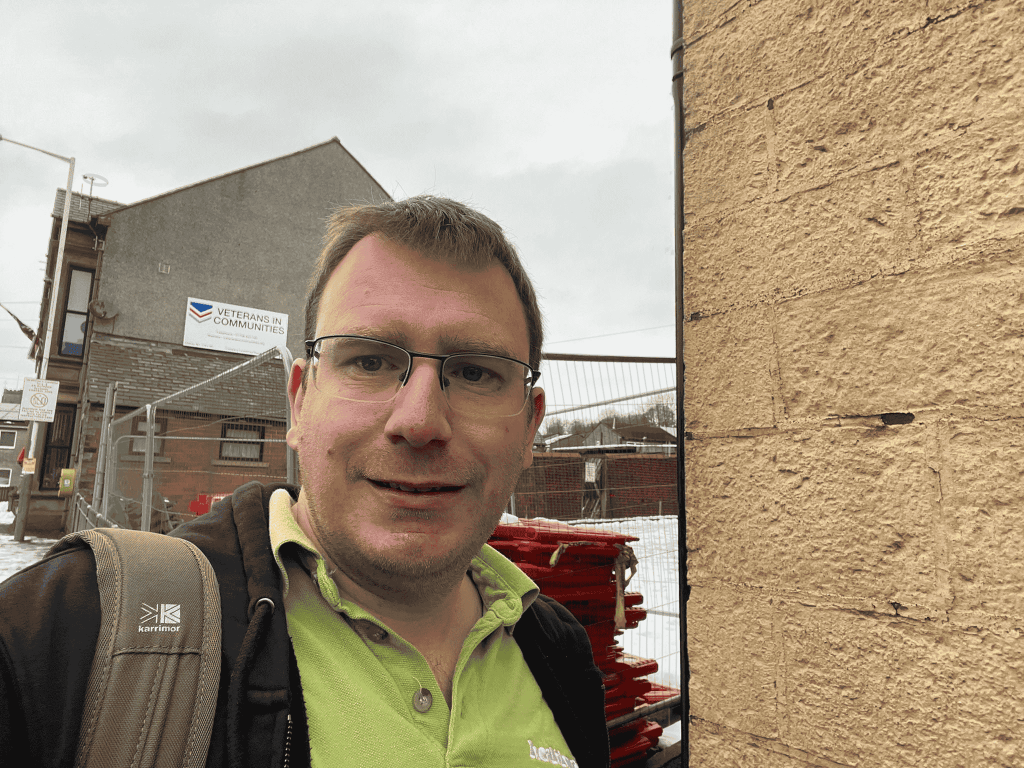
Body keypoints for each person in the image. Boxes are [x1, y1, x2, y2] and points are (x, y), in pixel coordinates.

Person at [0, 196, 610, 767]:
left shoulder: (558, 651)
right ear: (299, 402)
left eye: (477, 373)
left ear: (530, 429)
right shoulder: (73, 631)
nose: (420, 421)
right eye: (369, 360)